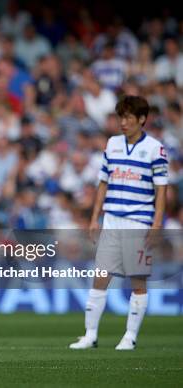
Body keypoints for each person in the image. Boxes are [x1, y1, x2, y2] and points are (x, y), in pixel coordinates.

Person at [69, 95, 168, 351]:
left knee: (138, 280)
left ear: (142, 120)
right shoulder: (112, 144)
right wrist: (94, 217)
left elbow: (161, 191)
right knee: (100, 277)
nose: (123, 122)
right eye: (120, 117)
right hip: (112, 220)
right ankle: (90, 335)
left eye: (129, 118)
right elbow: (103, 183)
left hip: (138, 222)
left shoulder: (155, 149)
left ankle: (130, 337)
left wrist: (157, 226)